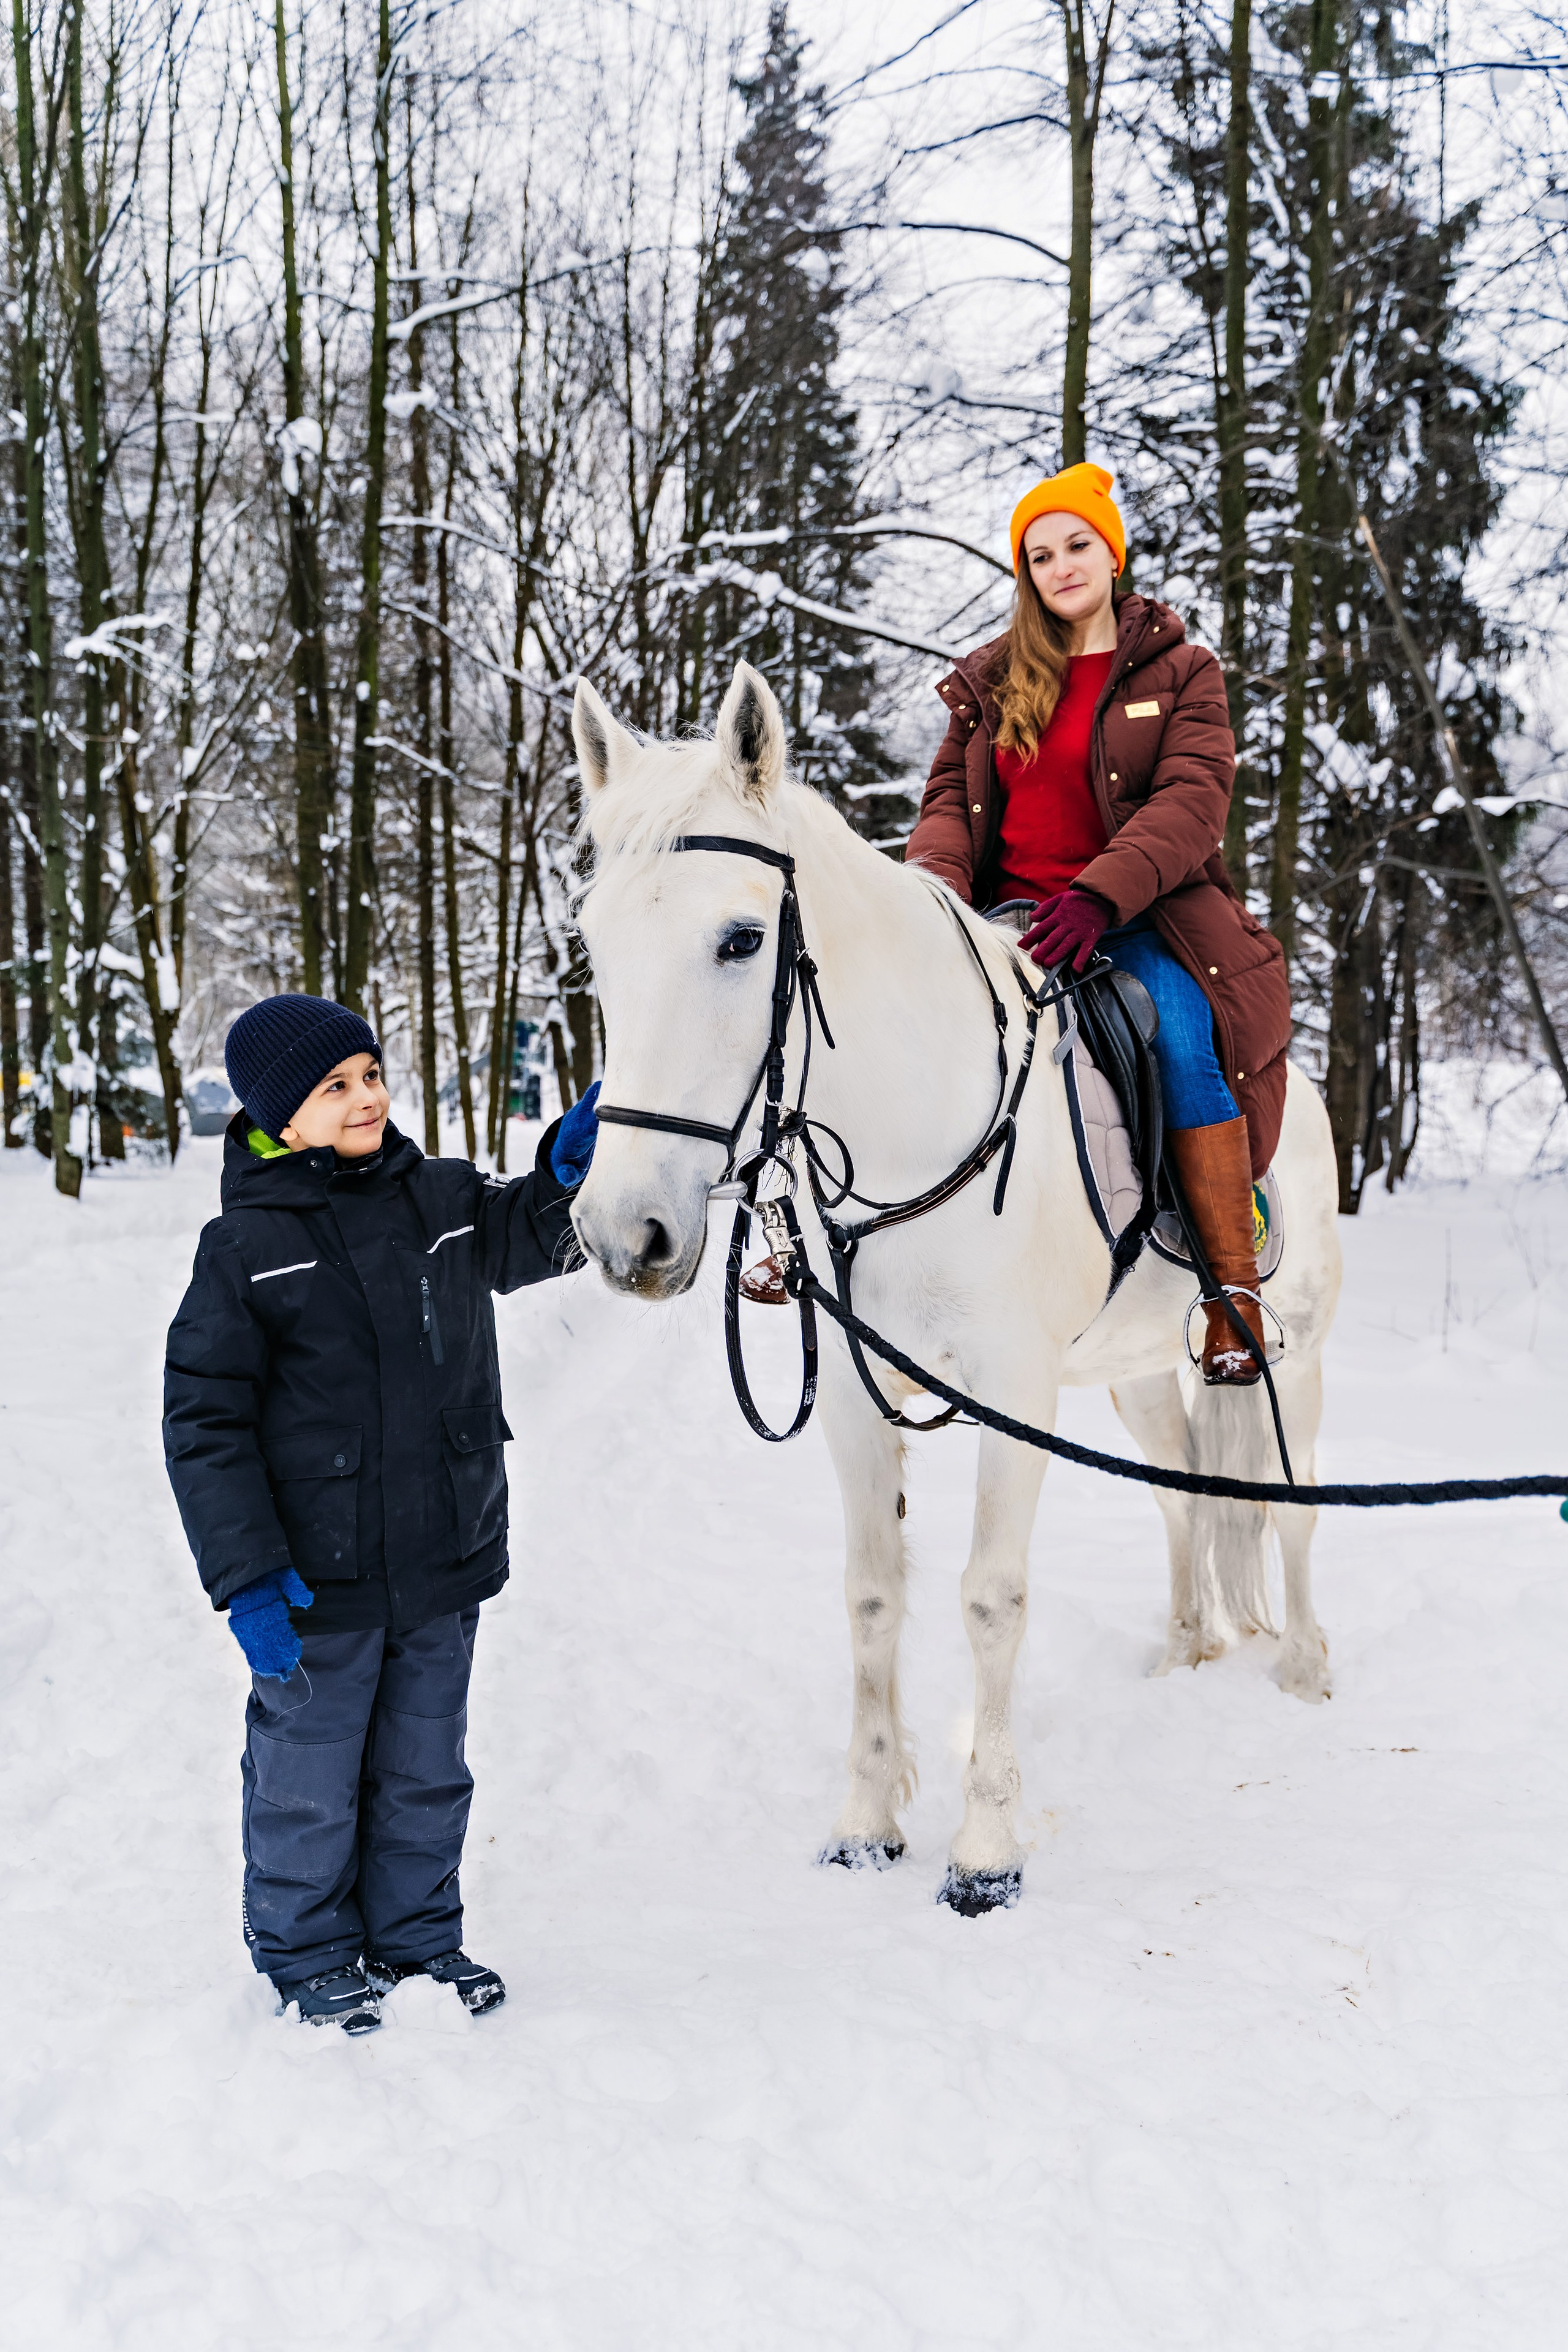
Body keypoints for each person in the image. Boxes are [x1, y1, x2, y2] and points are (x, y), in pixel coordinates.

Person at [163, 993, 600, 2034]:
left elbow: (527, 1234)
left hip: (443, 1553)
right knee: (307, 1775)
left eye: (369, 1075)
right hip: (317, 1574)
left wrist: (577, 1173)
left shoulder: (439, 1197)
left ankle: (415, 1938)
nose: (365, 1098)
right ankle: (307, 1951)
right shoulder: (244, 1247)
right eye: (334, 1087)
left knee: (423, 1767)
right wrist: (249, 1578)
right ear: (279, 1116)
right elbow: (205, 1424)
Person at [905, 462, 1292, 1382]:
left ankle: (1230, 1292)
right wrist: (932, 899)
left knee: (1186, 1038)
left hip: (1140, 920)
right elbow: (947, 807)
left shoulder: (1184, 672)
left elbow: (1193, 802)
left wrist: (1099, 895)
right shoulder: (993, 683)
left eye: (1077, 544)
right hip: (1008, 926)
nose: (1061, 565)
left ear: (1110, 552)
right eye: (1040, 555)